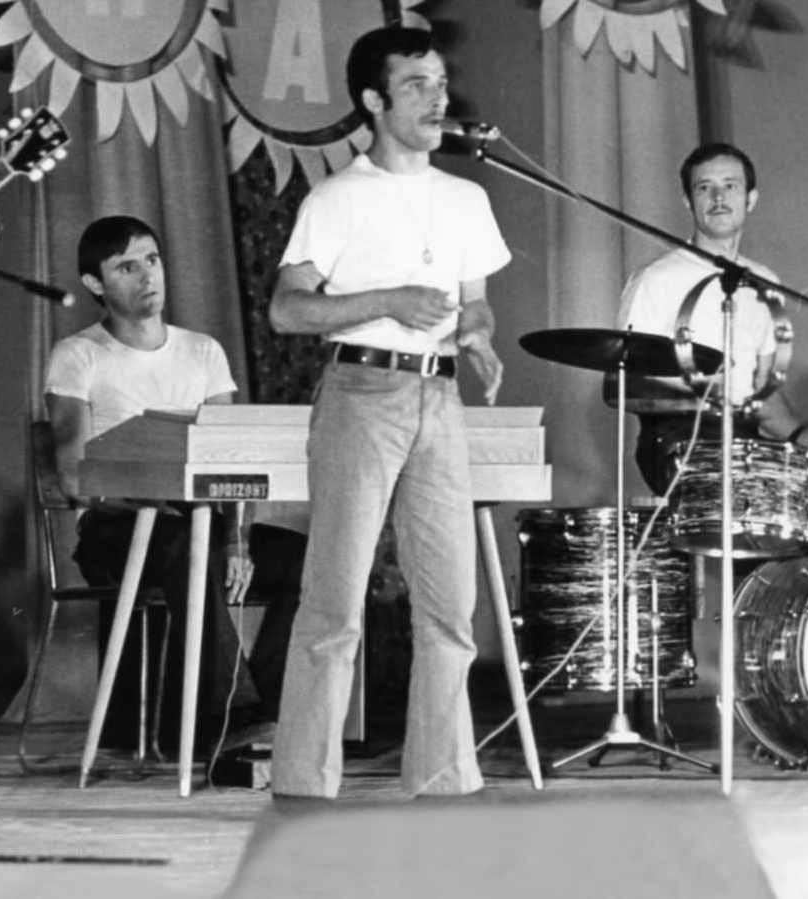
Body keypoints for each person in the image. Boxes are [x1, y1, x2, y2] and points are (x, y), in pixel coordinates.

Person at [267, 26, 510, 802]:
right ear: (373, 100)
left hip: (439, 397)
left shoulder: (466, 197)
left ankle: (442, 777)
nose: (436, 99)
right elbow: (287, 310)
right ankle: (304, 783)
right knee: (335, 601)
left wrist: (476, 336)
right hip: (361, 393)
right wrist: (387, 301)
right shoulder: (337, 197)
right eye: (415, 85)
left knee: (450, 604)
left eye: (439, 82)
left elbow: (476, 303)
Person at [45, 215, 301, 753]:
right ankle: (234, 714)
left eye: (152, 260)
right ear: (95, 283)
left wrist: (238, 541)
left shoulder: (203, 351)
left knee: (310, 560)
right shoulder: (78, 354)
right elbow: (72, 472)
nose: (147, 276)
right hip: (116, 529)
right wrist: (146, 495)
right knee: (186, 547)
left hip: (201, 526)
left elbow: (232, 459)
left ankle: (270, 709)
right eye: (126, 267)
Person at [618, 141, 804, 496]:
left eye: (730, 186)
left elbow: (763, 391)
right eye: (705, 188)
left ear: (751, 199)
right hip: (677, 437)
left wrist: (803, 437)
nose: (719, 198)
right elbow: (628, 384)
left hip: (743, 440)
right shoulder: (654, 280)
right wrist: (703, 394)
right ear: (689, 201)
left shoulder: (766, 282)